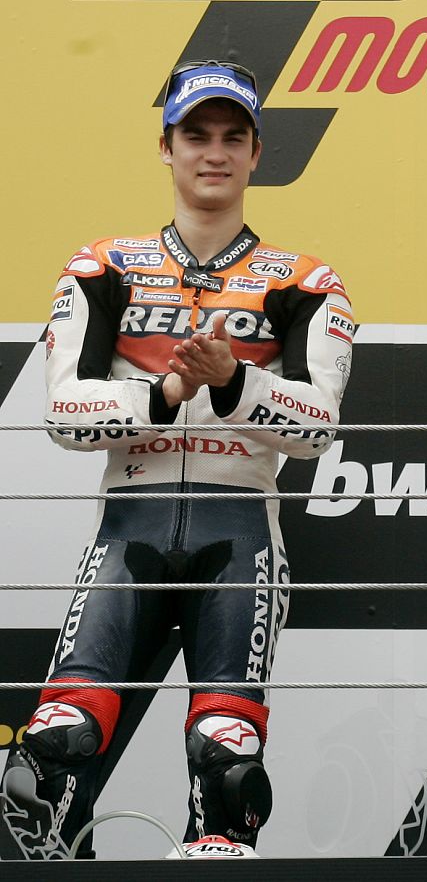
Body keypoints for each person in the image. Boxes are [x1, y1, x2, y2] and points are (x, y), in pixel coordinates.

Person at [0, 61, 355, 860]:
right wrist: (164, 391)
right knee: (58, 736)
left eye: (233, 136)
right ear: (166, 147)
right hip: (130, 520)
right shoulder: (103, 267)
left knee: (227, 752)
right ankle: (55, 854)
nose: (214, 152)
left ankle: (218, 841)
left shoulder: (307, 282)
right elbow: (63, 414)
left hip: (242, 531)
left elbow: (317, 427)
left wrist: (233, 380)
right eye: (196, 134)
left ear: (257, 152)